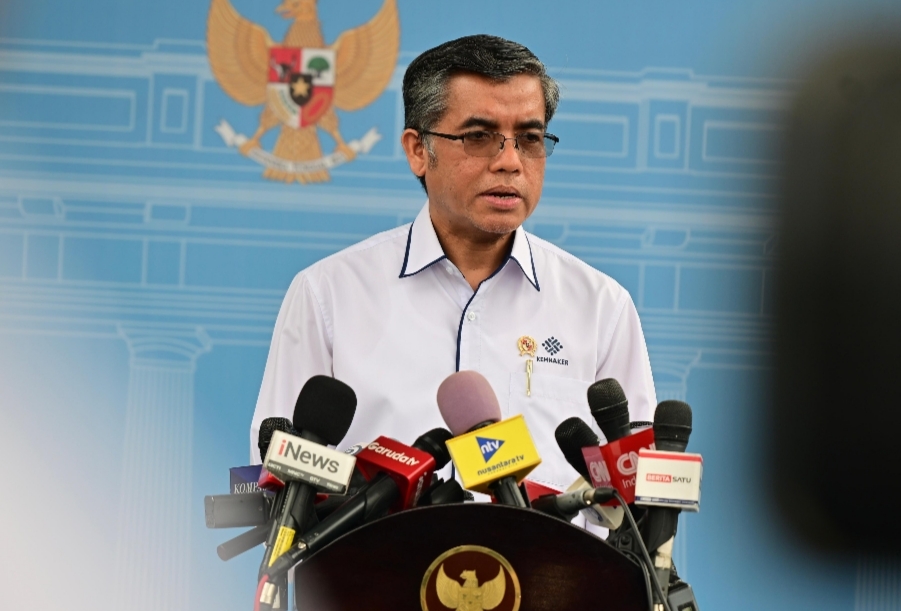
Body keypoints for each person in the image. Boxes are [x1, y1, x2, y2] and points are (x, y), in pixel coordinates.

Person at [251, 34, 656, 499]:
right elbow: (279, 486)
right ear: (418, 150)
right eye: (479, 137)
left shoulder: (601, 307)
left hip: (547, 550)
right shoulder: (328, 295)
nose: (510, 162)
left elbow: (637, 504)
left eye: (530, 139)